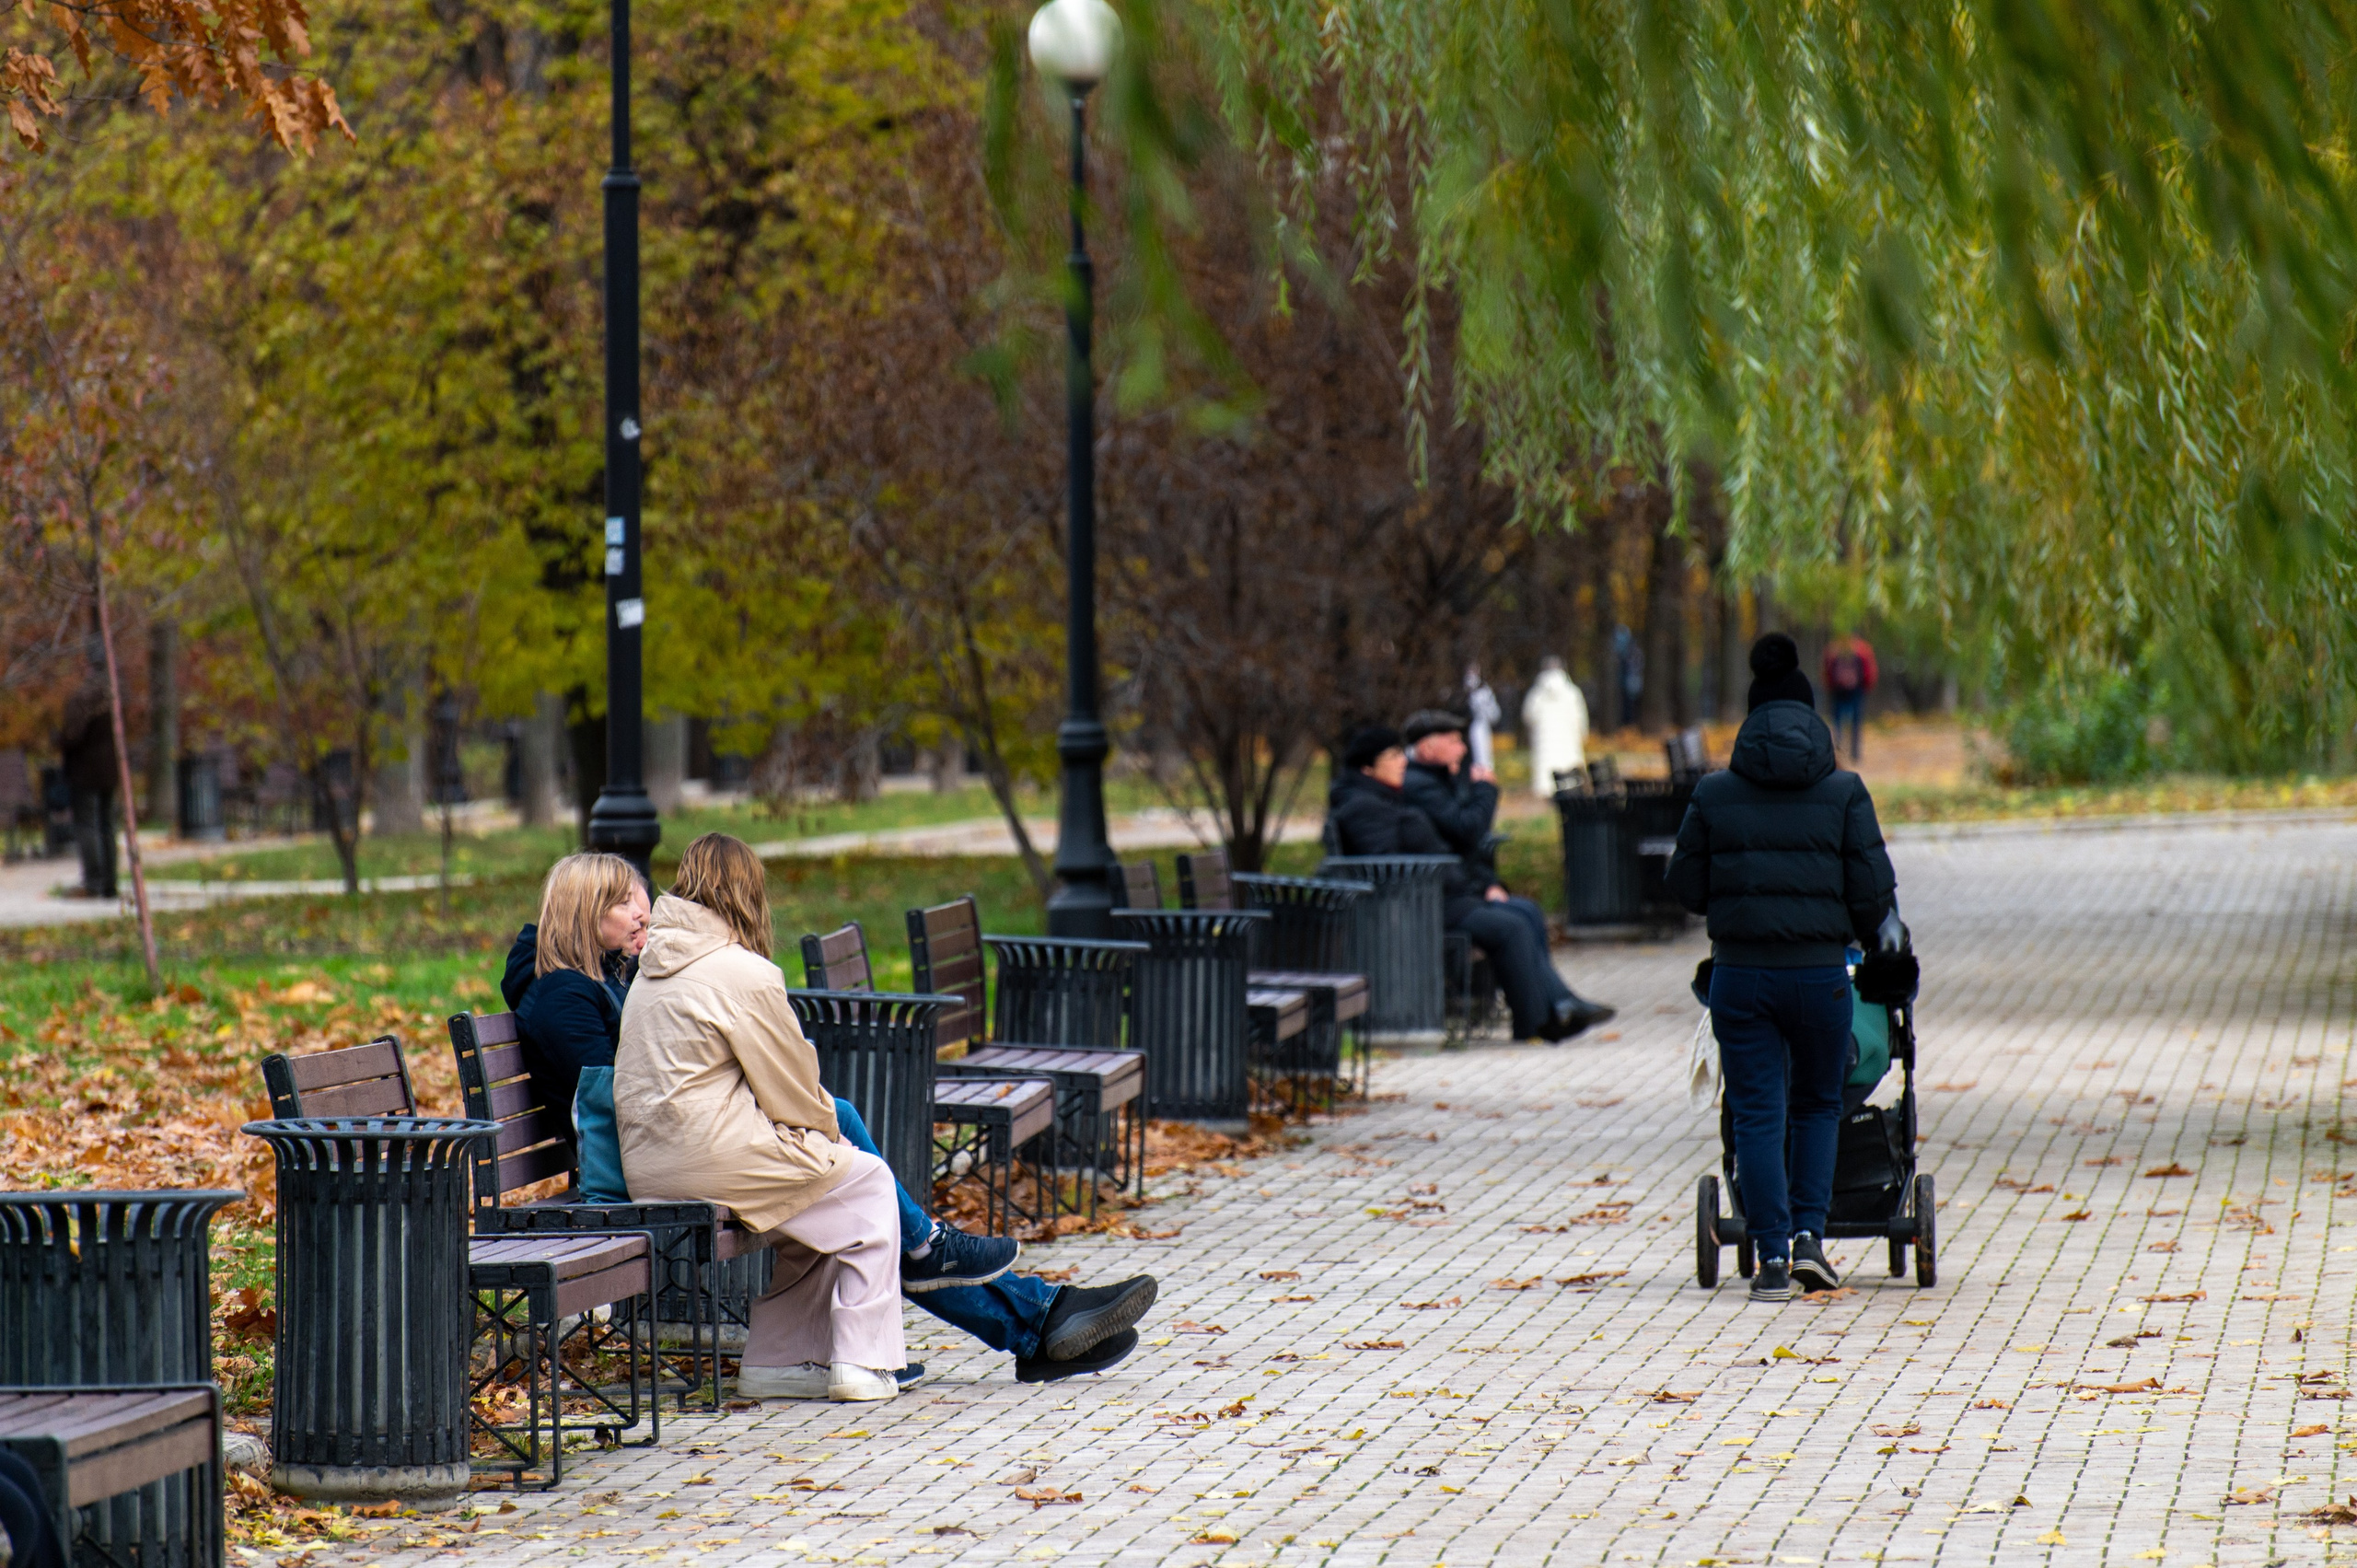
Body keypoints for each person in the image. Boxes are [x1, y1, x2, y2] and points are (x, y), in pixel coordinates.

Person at [510, 848, 1155, 1391]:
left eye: (641, 896)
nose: (641, 909)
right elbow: (623, 1092)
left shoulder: (627, 977)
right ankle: (979, 1299)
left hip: (669, 1150)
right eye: (623, 902)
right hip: (643, 1169)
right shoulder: (574, 992)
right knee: (865, 1181)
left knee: (842, 1137)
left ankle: (1003, 1306)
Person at [1665, 634, 1901, 1303]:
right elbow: (1873, 896)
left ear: (1748, 723)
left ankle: (1768, 1257)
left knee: (1757, 1111)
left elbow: (1684, 886)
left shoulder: (1714, 794)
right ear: (1814, 721)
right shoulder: (1845, 792)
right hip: (1819, 977)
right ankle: (1807, 1240)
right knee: (1818, 1105)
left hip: (1741, 976)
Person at [1327, 724, 1606, 1043]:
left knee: (1522, 913)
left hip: (1438, 897)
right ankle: (1539, 1022)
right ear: (1367, 767)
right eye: (1392, 756)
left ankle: (1555, 1008)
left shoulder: (1384, 797)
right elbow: (1385, 863)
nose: (1401, 761)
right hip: (1417, 907)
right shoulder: (1364, 806)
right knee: (1510, 927)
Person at [1520, 655, 1589, 798]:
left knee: (1546, 776)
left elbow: (1527, 716)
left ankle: (1544, 791)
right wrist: (1583, 734)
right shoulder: (1572, 692)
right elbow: (1581, 717)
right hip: (1568, 741)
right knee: (1569, 772)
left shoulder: (1536, 694)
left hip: (1544, 743)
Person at [1821, 632, 1877, 761]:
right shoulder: (1863, 650)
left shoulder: (1833, 649)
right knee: (1856, 721)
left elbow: (1827, 671)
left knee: (1837, 719)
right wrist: (1866, 687)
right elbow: (1869, 672)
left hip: (1838, 691)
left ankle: (1838, 747)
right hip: (1856, 690)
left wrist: (1830, 687)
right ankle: (1855, 752)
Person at [1463, 665, 1502, 774]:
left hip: (1479, 727)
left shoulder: (1483, 691)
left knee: (1482, 755)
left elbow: (1493, 713)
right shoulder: (1461, 691)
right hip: (1466, 728)